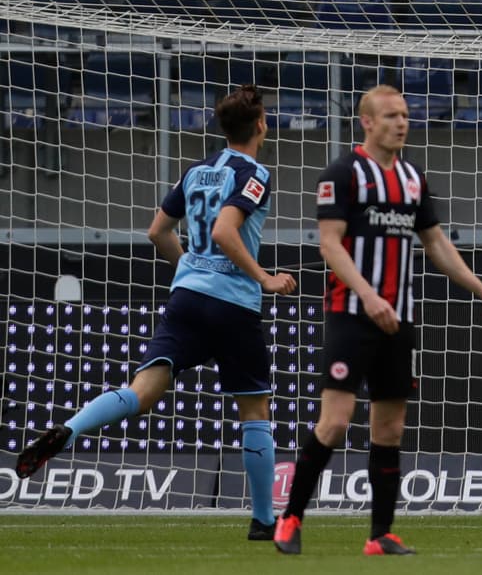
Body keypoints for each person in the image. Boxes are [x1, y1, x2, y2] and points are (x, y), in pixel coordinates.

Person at [15, 84, 298, 541]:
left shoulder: (197, 171)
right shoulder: (255, 173)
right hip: (233, 305)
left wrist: (189, 266)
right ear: (261, 125)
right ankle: (264, 520)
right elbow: (227, 230)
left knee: (142, 390)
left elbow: (157, 231)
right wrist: (264, 278)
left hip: (186, 297)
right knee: (254, 409)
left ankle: (69, 429)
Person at [273, 84, 482, 556]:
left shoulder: (412, 178)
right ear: (367, 122)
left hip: (399, 319)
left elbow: (438, 245)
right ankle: (291, 517)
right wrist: (367, 294)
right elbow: (329, 245)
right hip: (351, 315)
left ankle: (380, 534)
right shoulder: (343, 173)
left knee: (390, 430)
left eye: (404, 115)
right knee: (335, 423)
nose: (401, 123)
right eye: (390, 116)